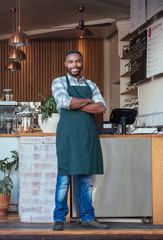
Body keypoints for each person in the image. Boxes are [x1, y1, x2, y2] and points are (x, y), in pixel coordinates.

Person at [51, 50, 108, 231]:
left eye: (77, 62)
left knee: (86, 179)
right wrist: (87, 101)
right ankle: (59, 218)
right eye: (70, 62)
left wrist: (77, 103)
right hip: (67, 136)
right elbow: (64, 102)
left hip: (87, 136)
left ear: (82, 63)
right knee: (64, 179)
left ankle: (88, 217)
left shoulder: (91, 84)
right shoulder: (59, 82)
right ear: (65, 64)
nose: (74, 65)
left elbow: (100, 108)